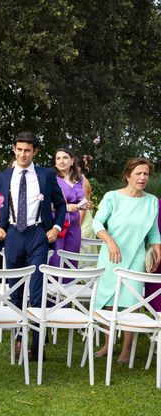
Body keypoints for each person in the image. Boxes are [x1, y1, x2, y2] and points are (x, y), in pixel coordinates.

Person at [0, 131, 66, 361]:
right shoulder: (3, 177)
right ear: (14, 149)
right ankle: (19, 336)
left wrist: (56, 228)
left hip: (37, 234)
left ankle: (38, 345)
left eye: (27, 150)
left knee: (37, 291)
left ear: (35, 152)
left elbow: (60, 205)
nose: (22, 154)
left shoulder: (46, 175)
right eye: (19, 149)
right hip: (12, 235)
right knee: (15, 290)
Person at [93, 158, 161, 363]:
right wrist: (110, 241)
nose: (142, 177)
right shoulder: (112, 197)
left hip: (138, 255)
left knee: (131, 303)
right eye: (138, 173)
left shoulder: (151, 201)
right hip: (112, 253)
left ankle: (127, 349)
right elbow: (97, 222)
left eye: (146, 174)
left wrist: (157, 250)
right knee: (108, 300)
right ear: (127, 175)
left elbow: (154, 232)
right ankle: (108, 343)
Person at [48, 148, 92, 268]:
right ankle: (52, 286)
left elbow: (81, 200)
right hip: (56, 225)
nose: (62, 161)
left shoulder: (80, 179)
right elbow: (43, 203)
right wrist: (65, 207)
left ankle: (69, 287)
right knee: (55, 261)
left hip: (74, 227)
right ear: (55, 162)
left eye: (65, 158)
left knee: (71, 261)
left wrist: (85, 205)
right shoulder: (50, 178)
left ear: (72, 161)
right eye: (58, 158)